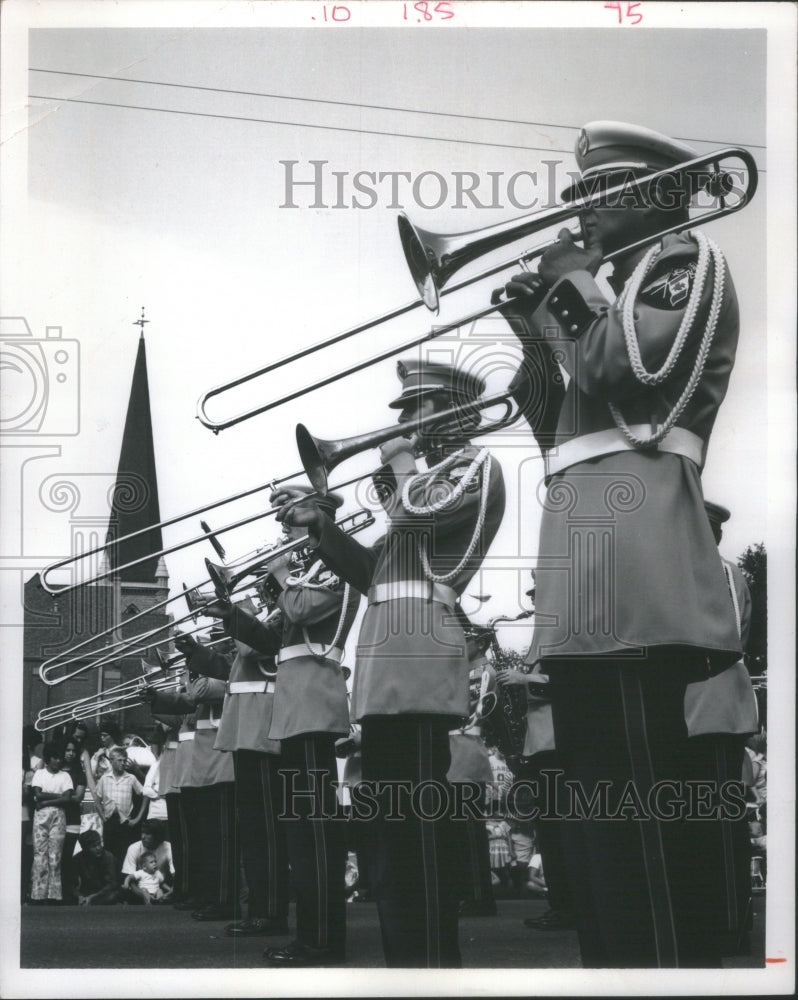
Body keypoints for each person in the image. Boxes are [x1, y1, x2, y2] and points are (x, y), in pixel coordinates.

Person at [497, 120, 745, 968]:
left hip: (643, 582)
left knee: (650, 844)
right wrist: (534, 328)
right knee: (608, 848)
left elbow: (622, 374)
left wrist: (569, 283)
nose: (580, 211)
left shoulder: (684, 267)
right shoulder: (610, 292)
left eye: (599, 194)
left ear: (658, 195)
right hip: (587, 582)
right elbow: (556, 432)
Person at [274, 358, 506, 968]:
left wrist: (402, 459)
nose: (400, 423)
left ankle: (430, 961)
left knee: (415, 831)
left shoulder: (475, 467)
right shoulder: (414, 493)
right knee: (391, 835)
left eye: (414, 410)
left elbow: (422, 509)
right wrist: (321, 528)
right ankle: (409, 959)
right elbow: (371, 573)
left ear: (452, 410)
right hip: (387, 657)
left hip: (420, 652)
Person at [215, 489, 360, 968]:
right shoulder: (305, 573)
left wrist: (280, 571)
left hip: (314, 703)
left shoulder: (334, 567)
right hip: (296, 707)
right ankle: (314, 937)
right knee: (301, 829)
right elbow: (272, 638)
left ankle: (322, 941)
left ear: (321, 519)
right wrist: (232, 614)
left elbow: (299, 612)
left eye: (293, 525)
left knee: (313, 832)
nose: (285, 533)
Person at [174, 600, 290, 941]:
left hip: (264, 728)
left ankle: (269, 911)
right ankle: (259, 909)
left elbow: (249, 648)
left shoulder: (280, 614)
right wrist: (196, 651)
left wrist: (238, 612)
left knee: (264, 833)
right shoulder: (267, 615)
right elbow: (231, 667)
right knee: (253, 833)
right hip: (244, 729)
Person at [29, 741, 74, 904]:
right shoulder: (40, 774)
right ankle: (38, 894)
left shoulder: (65, 776)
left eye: (60, 758)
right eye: (55, 758)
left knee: (55, 856)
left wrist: (46, 801)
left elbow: (67, 799)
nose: (58, 761)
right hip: (41, 818)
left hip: (58, 817)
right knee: (40, 854)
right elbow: (38, 794)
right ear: (48, 758)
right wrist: (58, 797)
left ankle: (53, 895)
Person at [94, 746, 143, 869]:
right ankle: (111, 881)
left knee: (124, 853)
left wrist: (137, 818)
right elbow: (97, 800)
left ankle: (124, 883)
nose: (123, 763)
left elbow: (145, 795)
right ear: (111, 761)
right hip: (109, 821)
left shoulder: (131, 778)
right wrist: (103, 817)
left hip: (125, 821)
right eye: (119, 760)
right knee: (109, 853)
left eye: (124, 760)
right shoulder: (104, 779)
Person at [60, 738, 87, 904]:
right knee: (55, 857)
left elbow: (78, 798)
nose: (70, 753)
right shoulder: (55, 771)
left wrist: (56, 797)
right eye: (67, 750)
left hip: (72, 820)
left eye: (73, 751)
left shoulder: (79, 773)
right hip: (55, 818)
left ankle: (68, 893)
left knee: (67, 857)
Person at [120, 818, 174, 884]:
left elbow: (175, 875)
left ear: (157, 836)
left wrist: (167, 894)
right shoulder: (133, 848)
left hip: (159, 886)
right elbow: (129, 879)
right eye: (142, 832)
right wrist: (144, 894)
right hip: (139, 887)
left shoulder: (168, 847)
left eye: (147, 834)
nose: (143, 837)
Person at [74, 830, 119, 906]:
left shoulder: (108, 857)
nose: (98, 848)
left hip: (104, 893)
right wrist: (79, 896)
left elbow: (111, 884)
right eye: (93, 846)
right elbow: (71, 884)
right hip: (87, 893)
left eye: (99, 844)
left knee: (112, 896)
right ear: (85, 848)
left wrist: (92, 897)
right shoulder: (77, 859)